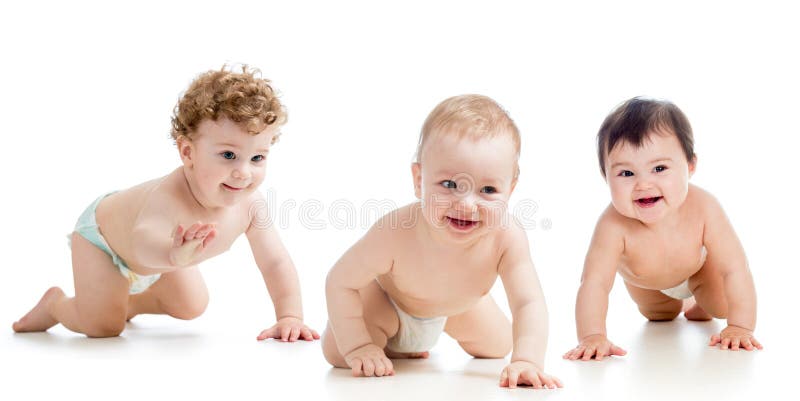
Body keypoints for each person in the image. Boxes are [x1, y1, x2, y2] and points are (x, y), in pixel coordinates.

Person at [13, 66, 319, 342]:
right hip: (105, 242)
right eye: (228, 155)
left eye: (257, 158)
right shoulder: (170, 196)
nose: (243, 172)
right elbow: (142, 239)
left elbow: (275, 261)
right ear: (187, 152)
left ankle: (123, 301)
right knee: (103, 327)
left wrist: (289, 316)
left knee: (191, 305)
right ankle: (56, 304)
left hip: (170, 256)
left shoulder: (251, 206)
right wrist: (173, 254)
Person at [323, 95, 561, 389]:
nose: (467, 204)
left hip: (459, 310)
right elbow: (339, 281)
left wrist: (527, 360)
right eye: (449, 185)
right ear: (419, 179)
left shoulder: (507, 238)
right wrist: (357, 346)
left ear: (510, 190)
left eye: (488, 189)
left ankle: (408, 343)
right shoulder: (396, 231)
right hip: (390, 305)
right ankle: (383, 345)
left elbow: (528, 302)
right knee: (337, 352)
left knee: (500, 346)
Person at [564, 97, 761, 361]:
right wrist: (592, 336)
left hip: (698, 270)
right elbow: (594, 284)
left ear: (690, 166)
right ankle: (679, 305)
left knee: (721, 305)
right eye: (626, 174)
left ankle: (700, 303)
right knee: (659, 316)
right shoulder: (612, 225)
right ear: (605, 176)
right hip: (645, 283)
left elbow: (734, 267)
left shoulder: (704, 208)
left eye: (659, 168)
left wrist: (741, 326)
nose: (643, 184)